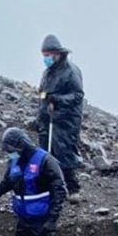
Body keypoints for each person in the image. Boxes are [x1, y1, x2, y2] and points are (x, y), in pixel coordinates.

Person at [34, 34, 85, 197]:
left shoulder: (70, 71)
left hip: (65, 121)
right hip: (48, 119)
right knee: (45, 154)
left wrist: (57, 100)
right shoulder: (48, 72)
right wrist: (41, 114)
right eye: (44, 56)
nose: (46, 59)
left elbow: (77, 95)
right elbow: (43, 94)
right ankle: (51, 188)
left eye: (48, 55)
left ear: (57, 53)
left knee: (64, 153)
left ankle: (73, 189)